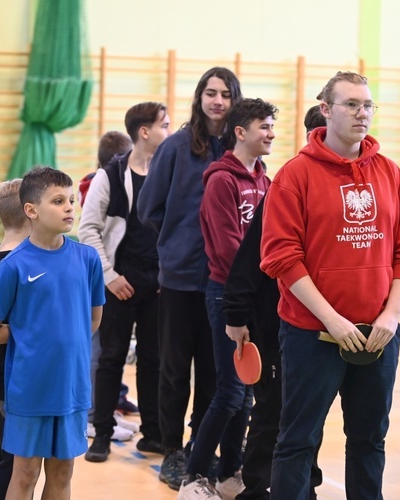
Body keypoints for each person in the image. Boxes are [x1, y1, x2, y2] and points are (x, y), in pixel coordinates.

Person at [260, 71, 400, 499]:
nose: (361, 113)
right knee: (298, 442)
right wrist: (332, 320)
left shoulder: (389, 173)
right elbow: (281, 258)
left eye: (367, 105)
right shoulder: (294, 176)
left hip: (377, 337)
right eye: (351, 104)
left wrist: (391, 314)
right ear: (327, 110)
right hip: (312, 336)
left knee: (369, 442)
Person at [137, 66, 242, 489]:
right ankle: (173, 451)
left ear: (235, 101)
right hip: (180, 280)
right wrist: (179, 239)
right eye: (210, 93)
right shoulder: (177, 146)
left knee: (215, 374)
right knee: (175, 371)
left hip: (223, 284)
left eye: (225, 95)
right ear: (199, 98)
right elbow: (148, 208)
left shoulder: (239, 150)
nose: (217, 101)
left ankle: (202, 448)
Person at [218, 105, 326, 500]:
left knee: (307, 413)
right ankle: (257, 486)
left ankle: (303, 484)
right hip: (271, 321)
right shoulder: (290, 183)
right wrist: (236, 313)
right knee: (270, 410)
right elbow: (249, 258)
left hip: (318, 324)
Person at [0, 167, 105, 500]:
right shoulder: (13, 266)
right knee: (25, 474)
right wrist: (33, 333)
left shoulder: (88, 259)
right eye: (58, 201)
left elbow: (91, 320)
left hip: (72, 389)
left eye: (72, 200)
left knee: (63, 473)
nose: (69, 208)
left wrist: (58, 335)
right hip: (30, 390)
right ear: (31, 211)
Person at [178, 98, 276, 500]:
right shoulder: (221, 180)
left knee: (248, 392)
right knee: (230, 392)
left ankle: (229, 473)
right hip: (227, 294)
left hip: (254, 295)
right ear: (240, 132)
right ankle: (193, 475)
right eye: (264, 127)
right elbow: (227, 248)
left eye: (272, 127)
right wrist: (249, 288)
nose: (271, 134)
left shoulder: (265, 179)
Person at [79, 101, 171, 462]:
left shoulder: (169, 172)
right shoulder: (111, 175)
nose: (170, 130)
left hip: (159, 281)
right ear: (144, 132)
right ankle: (101, 433)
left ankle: (154, 433)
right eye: (164, 124)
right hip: (119, 279)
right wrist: (110, 276)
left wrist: (169, 274)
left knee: (154, 359)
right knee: (112, 357)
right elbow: (87, 230)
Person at [80, 130, 139, 440]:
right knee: (100, 351)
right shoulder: (98, 183)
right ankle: (92, 414)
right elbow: (90, 230)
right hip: (101, 279)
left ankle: (108, 408)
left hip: (112, 276)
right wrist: (109, 273)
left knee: (111, 350)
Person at [0, 178, 31, 500]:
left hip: (15, 375)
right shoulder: (13, 262)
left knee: (15, 459)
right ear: (31, 214)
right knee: (13, 462)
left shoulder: (0, 253)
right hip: (14, 376)